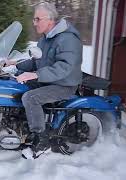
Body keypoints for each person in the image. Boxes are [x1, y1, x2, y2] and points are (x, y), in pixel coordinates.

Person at [6, 2, 83, 158]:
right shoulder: (45, 39)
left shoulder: (68, 39)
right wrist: (15, 65)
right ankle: (19, 125)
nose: (34, 23)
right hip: (48, 80)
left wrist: (36, 75)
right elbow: (36, 61)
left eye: (37, 19)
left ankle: (42, 142)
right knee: (14, 85)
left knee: (31, 97)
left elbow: (64, 67)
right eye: (34, 19)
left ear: (50, 19)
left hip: (64, 85)